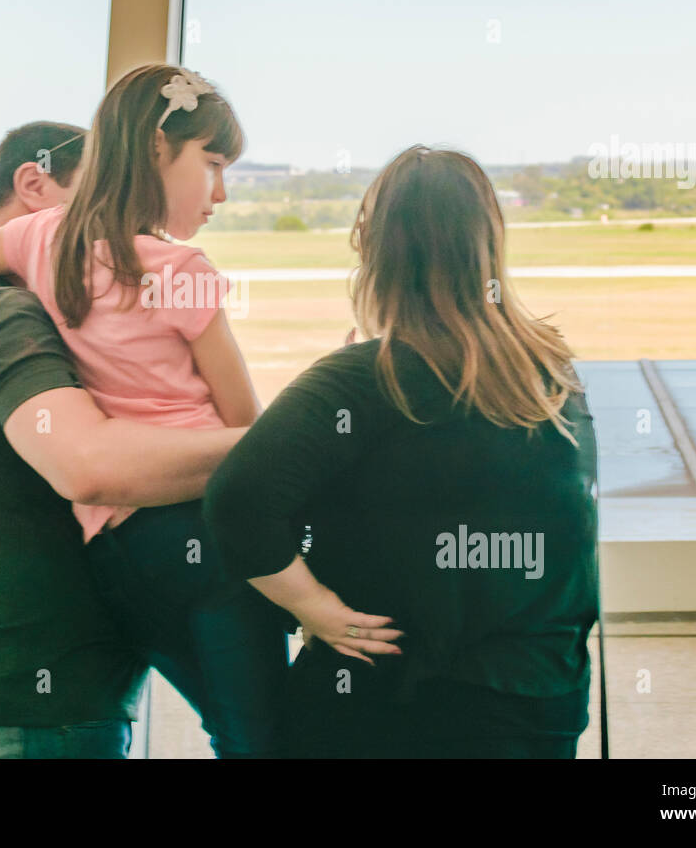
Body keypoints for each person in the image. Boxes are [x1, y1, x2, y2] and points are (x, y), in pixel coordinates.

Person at [0, 66, 380, 758]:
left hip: (122, 551)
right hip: (201, 535)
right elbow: (248, 430)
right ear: (158, 149)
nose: (219, 192)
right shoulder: (180, 269)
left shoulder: (40, 244)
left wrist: (48, 260)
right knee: (270, 737)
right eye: (213, 165)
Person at [203, 145, 600, 759]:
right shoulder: (550, 376)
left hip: (391, 703)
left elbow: (238, 500)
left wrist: (317, 608)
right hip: (538, 701)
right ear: (489, 242)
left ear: (375, 248)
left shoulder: (363, 380)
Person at [0, 120, 246, 759]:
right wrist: (281, 448)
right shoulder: (3, 313)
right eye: (105, 188)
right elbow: (88, 468)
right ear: (34, 184)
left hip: (20, 698)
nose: (124, 213)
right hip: (39, 715)